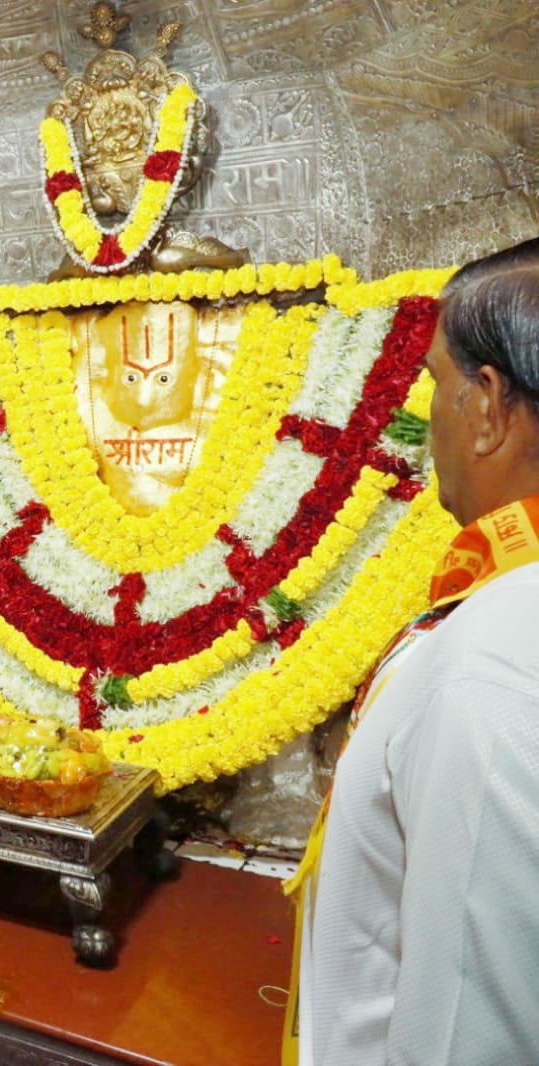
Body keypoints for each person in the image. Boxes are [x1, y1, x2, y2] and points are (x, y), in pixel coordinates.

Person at [289, 237, 539, 1064]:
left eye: (436, 380)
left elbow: (469, 1023)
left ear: (490, 404)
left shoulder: (492, 661)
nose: (426, 410)